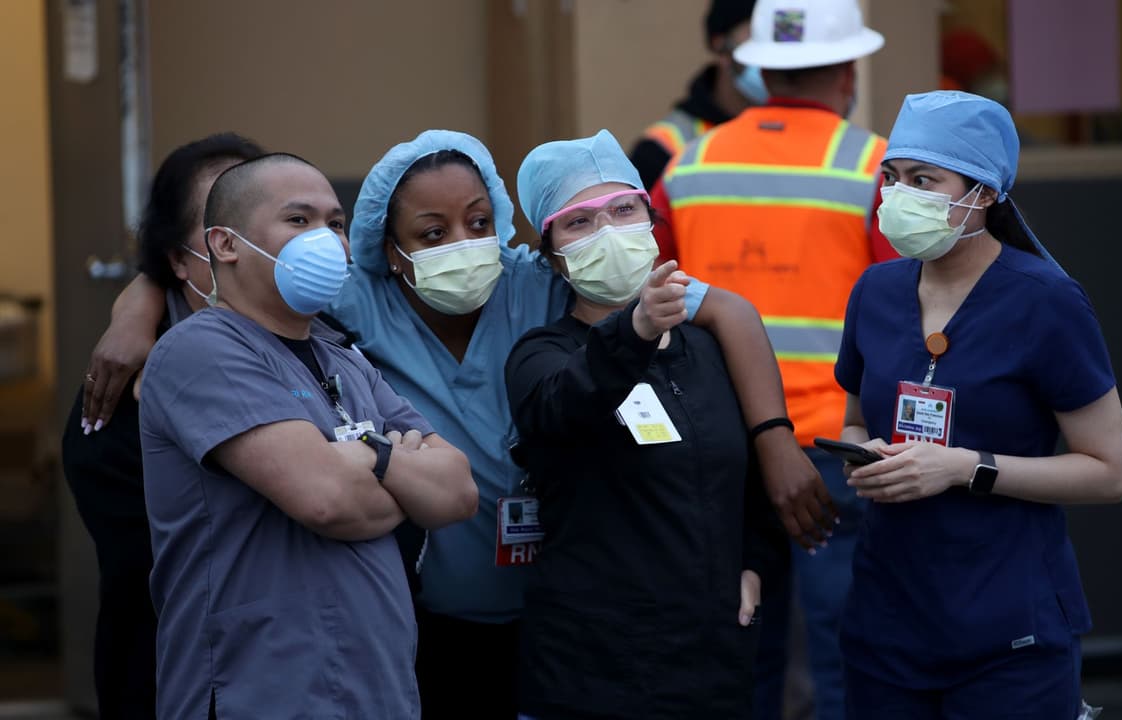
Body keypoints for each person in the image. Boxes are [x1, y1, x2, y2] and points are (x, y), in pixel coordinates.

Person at [88, 129, 833, 717]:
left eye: (480, 222)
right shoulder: (352, 306)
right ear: (387, 250)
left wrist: (775, 441)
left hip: (555, 608)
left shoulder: (540, 281)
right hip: (425, 620)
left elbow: (722, 307)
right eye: (432, 232)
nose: (463, 245)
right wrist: (143, 298)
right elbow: (251, 288)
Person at [139, 153, 478, 718]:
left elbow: (458, 494)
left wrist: (364, 457)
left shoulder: (343, 358)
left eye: (336, 224)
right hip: (260, 691)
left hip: (377, 692)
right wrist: (392, 459)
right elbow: (328, 500)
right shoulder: (202, 349)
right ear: (224, 244)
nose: (326, 239)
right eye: (299, 220)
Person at [834, 91, 1122, 719]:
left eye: (923, 179)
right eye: (892, 177)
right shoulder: (875, 290)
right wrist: (864, 454)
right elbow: (858, 417)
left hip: (1007, 629)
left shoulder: (1045, 300)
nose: (898, 195)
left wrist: (965, 466)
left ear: (986, 194)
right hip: (887, 619)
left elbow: (1109, 471)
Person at [653, 1, 892, 717]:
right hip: (832, 450)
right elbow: (902, 318)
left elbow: (655, 305)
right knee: (848, 653)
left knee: (741, 648)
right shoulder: (875, 168)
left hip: (725, 449)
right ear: (849, 70)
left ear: (757, 68)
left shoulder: (686, 167)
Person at [506, 129, 788, 718]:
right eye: (579, 222)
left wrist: (755, 563)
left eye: (623, 209)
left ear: (650, 220)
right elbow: (564, 405)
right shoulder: (542, 354)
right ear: (552, 251)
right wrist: (631, 332)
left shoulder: (708, 347)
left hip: (710, 665)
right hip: (594, 673)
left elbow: (739, 475)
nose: (608, 230)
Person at [59, 132, 263, 719]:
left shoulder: (334, 348)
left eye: (264, 217)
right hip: (174, 679)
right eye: (222, 228)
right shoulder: (117, 402)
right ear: (178, 257)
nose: (245, 245)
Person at [629, 0, 760, 191]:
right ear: (720, 44)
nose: (773, 49)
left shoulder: (807, 131)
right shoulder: (662, 151)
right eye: (758, 32)